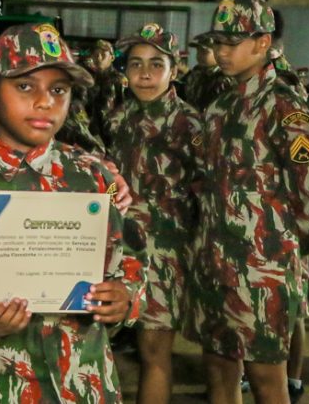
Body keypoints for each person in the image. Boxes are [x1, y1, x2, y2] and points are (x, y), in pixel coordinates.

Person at [0, 23, 147, 403]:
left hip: (82, 382)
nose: (45, 102)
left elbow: (132, 257)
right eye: (25, 86)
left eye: (58, 90)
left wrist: (126, 299)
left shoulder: (93, 176)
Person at [186, 0, 309, 404]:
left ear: (263, 42)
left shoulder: (284, 105)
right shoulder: (220, 107)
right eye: (216, 42)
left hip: (262, 272)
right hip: (215, 264)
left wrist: (283, 251)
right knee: (218, 372)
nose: (220, 51)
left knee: (269, 381)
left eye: (230, 43)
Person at [109, 23, 201, 404]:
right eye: (135, 64)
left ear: (175, 68)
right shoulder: (119, 118)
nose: (144, 74)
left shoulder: (190, 125)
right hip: (117, 249)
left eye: (155, 64)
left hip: (163, 255)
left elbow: (206, 195)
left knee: (154, 353)